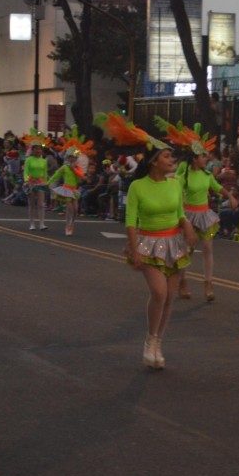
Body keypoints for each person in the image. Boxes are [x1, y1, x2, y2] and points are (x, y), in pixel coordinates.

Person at [97, 112, 197, 369]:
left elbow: (180, 213)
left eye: (171, 156)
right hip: (149, 244)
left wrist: (187, 227)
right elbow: (131, 221)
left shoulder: (175, 184)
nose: (172, 160)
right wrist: (134, 249)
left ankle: (157, 342)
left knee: (170, 296)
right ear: (154, 162)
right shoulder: (138, 187)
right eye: (166, 156)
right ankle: (150, 339)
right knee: (159, 292)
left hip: (174, 244)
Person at [156, 117, 237, 302]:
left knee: (208, 248)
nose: (206, 158)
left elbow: (217, 187)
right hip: (188, 215)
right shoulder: (183, 171)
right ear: (195, 158)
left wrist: (231, 196)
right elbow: (174, 185)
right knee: (185, 250)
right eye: (203, 156)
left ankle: (208, 284)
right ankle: (183, 281)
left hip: (205, 215)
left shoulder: (206, 174)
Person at [21, 129, 50, 230]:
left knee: (41, 204)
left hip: (41, 182)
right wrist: (26, 180)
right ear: (32, 150)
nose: (38, 151)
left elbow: (45, 172)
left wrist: (47, 182)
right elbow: (26, 171)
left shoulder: (43, 161)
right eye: (36, 149)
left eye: (40, 149)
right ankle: (32, 224)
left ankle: (42, 223)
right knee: (32, 203)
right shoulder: (28, 160)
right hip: (31, 182)